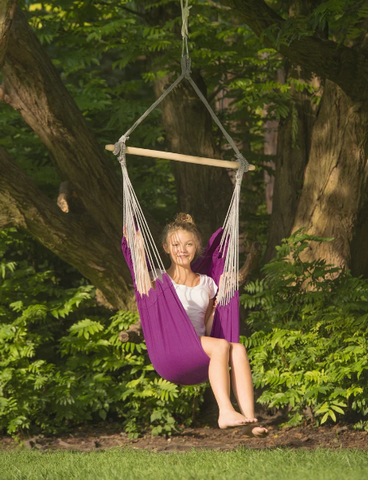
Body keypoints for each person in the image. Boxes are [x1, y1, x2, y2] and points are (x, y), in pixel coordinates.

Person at [159, 213, 268, 436]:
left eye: (189, 244)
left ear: (197, 247)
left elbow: (208, 327)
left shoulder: (207, 283)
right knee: (220, 346)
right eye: (176, 244)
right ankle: (225, 411)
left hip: (200, 348)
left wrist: (220, 304)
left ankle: (249, 420)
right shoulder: (159, 280)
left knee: (237, 348)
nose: (182, 249)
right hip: (172, 350)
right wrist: (137, 250)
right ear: (165, 247)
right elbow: (140, 280)